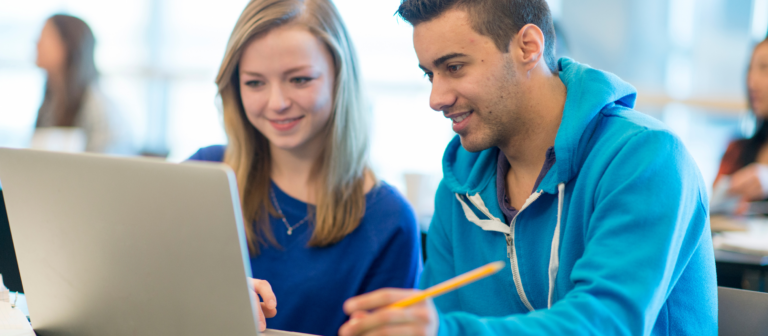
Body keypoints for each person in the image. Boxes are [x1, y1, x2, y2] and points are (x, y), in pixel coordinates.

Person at [339, 0, 717, 335]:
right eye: (429, 74)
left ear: (528, 47)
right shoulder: (460, 185)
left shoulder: (645, 157)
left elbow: (608, 324)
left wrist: (446, 331)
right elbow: (437, 316)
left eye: (454, 67)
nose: (436, 98)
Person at [187, 0, 422, 335]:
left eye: (299, 79)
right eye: (255, 82)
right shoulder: (205, 173)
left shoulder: (388, 220)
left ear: (339, 78)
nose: (278, 103)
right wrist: (213, 299)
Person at [35, 14, 134, 154]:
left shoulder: (98, 108)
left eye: (44, 38)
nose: (36, 44)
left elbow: (102, 167)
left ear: (67, 45)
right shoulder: (51, 102)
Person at [715, 38, 768, 210]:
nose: (751, 82)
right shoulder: (736, 151)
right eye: (750, 69)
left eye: (764, 68)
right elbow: (707, 212)